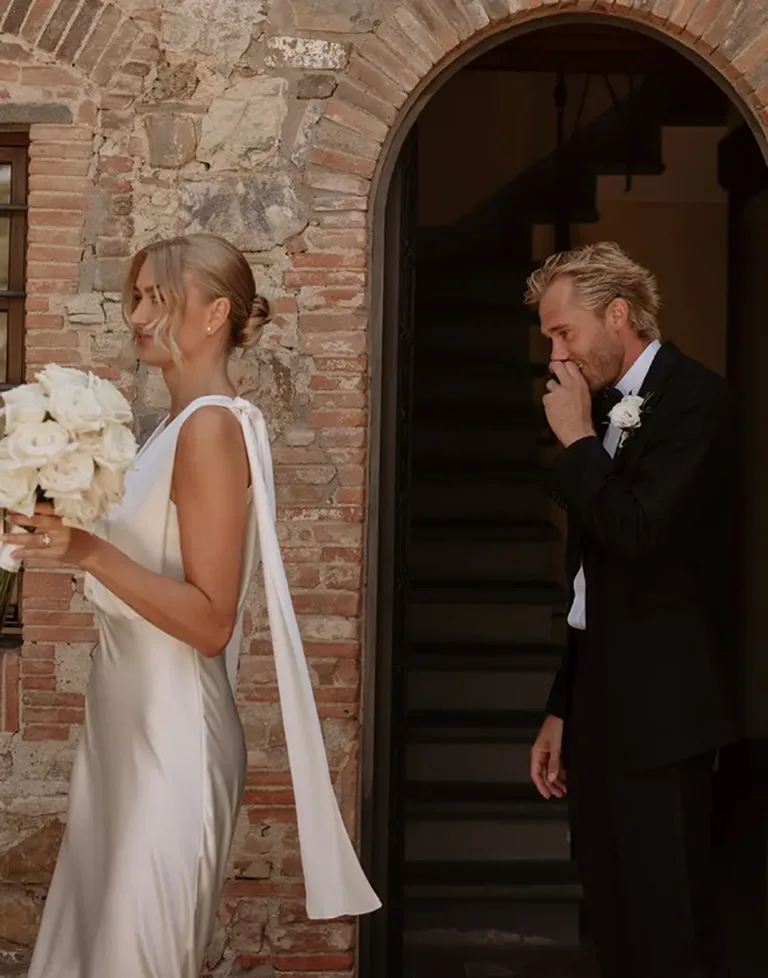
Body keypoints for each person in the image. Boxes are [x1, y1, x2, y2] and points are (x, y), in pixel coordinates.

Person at [8, 233, 380, 978]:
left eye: (160, 298)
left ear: (215, 315)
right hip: (122, 734)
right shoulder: (171, 430)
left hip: (173, 740)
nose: (139, 315)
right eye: (137, 297)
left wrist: (87, 552)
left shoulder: (212, 428)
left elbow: (211, 623)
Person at [526, 242, 735, 978]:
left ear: (618, 314)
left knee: (668, 930)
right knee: (612, 922)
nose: (556, 353)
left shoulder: (698, 400)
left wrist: (579, 439)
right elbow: (593, 584)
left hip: (665, 716)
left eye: (565, 333)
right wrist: (562, 705)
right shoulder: (603, 406)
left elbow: (642, 532)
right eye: (550, 337)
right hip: (596, 714)